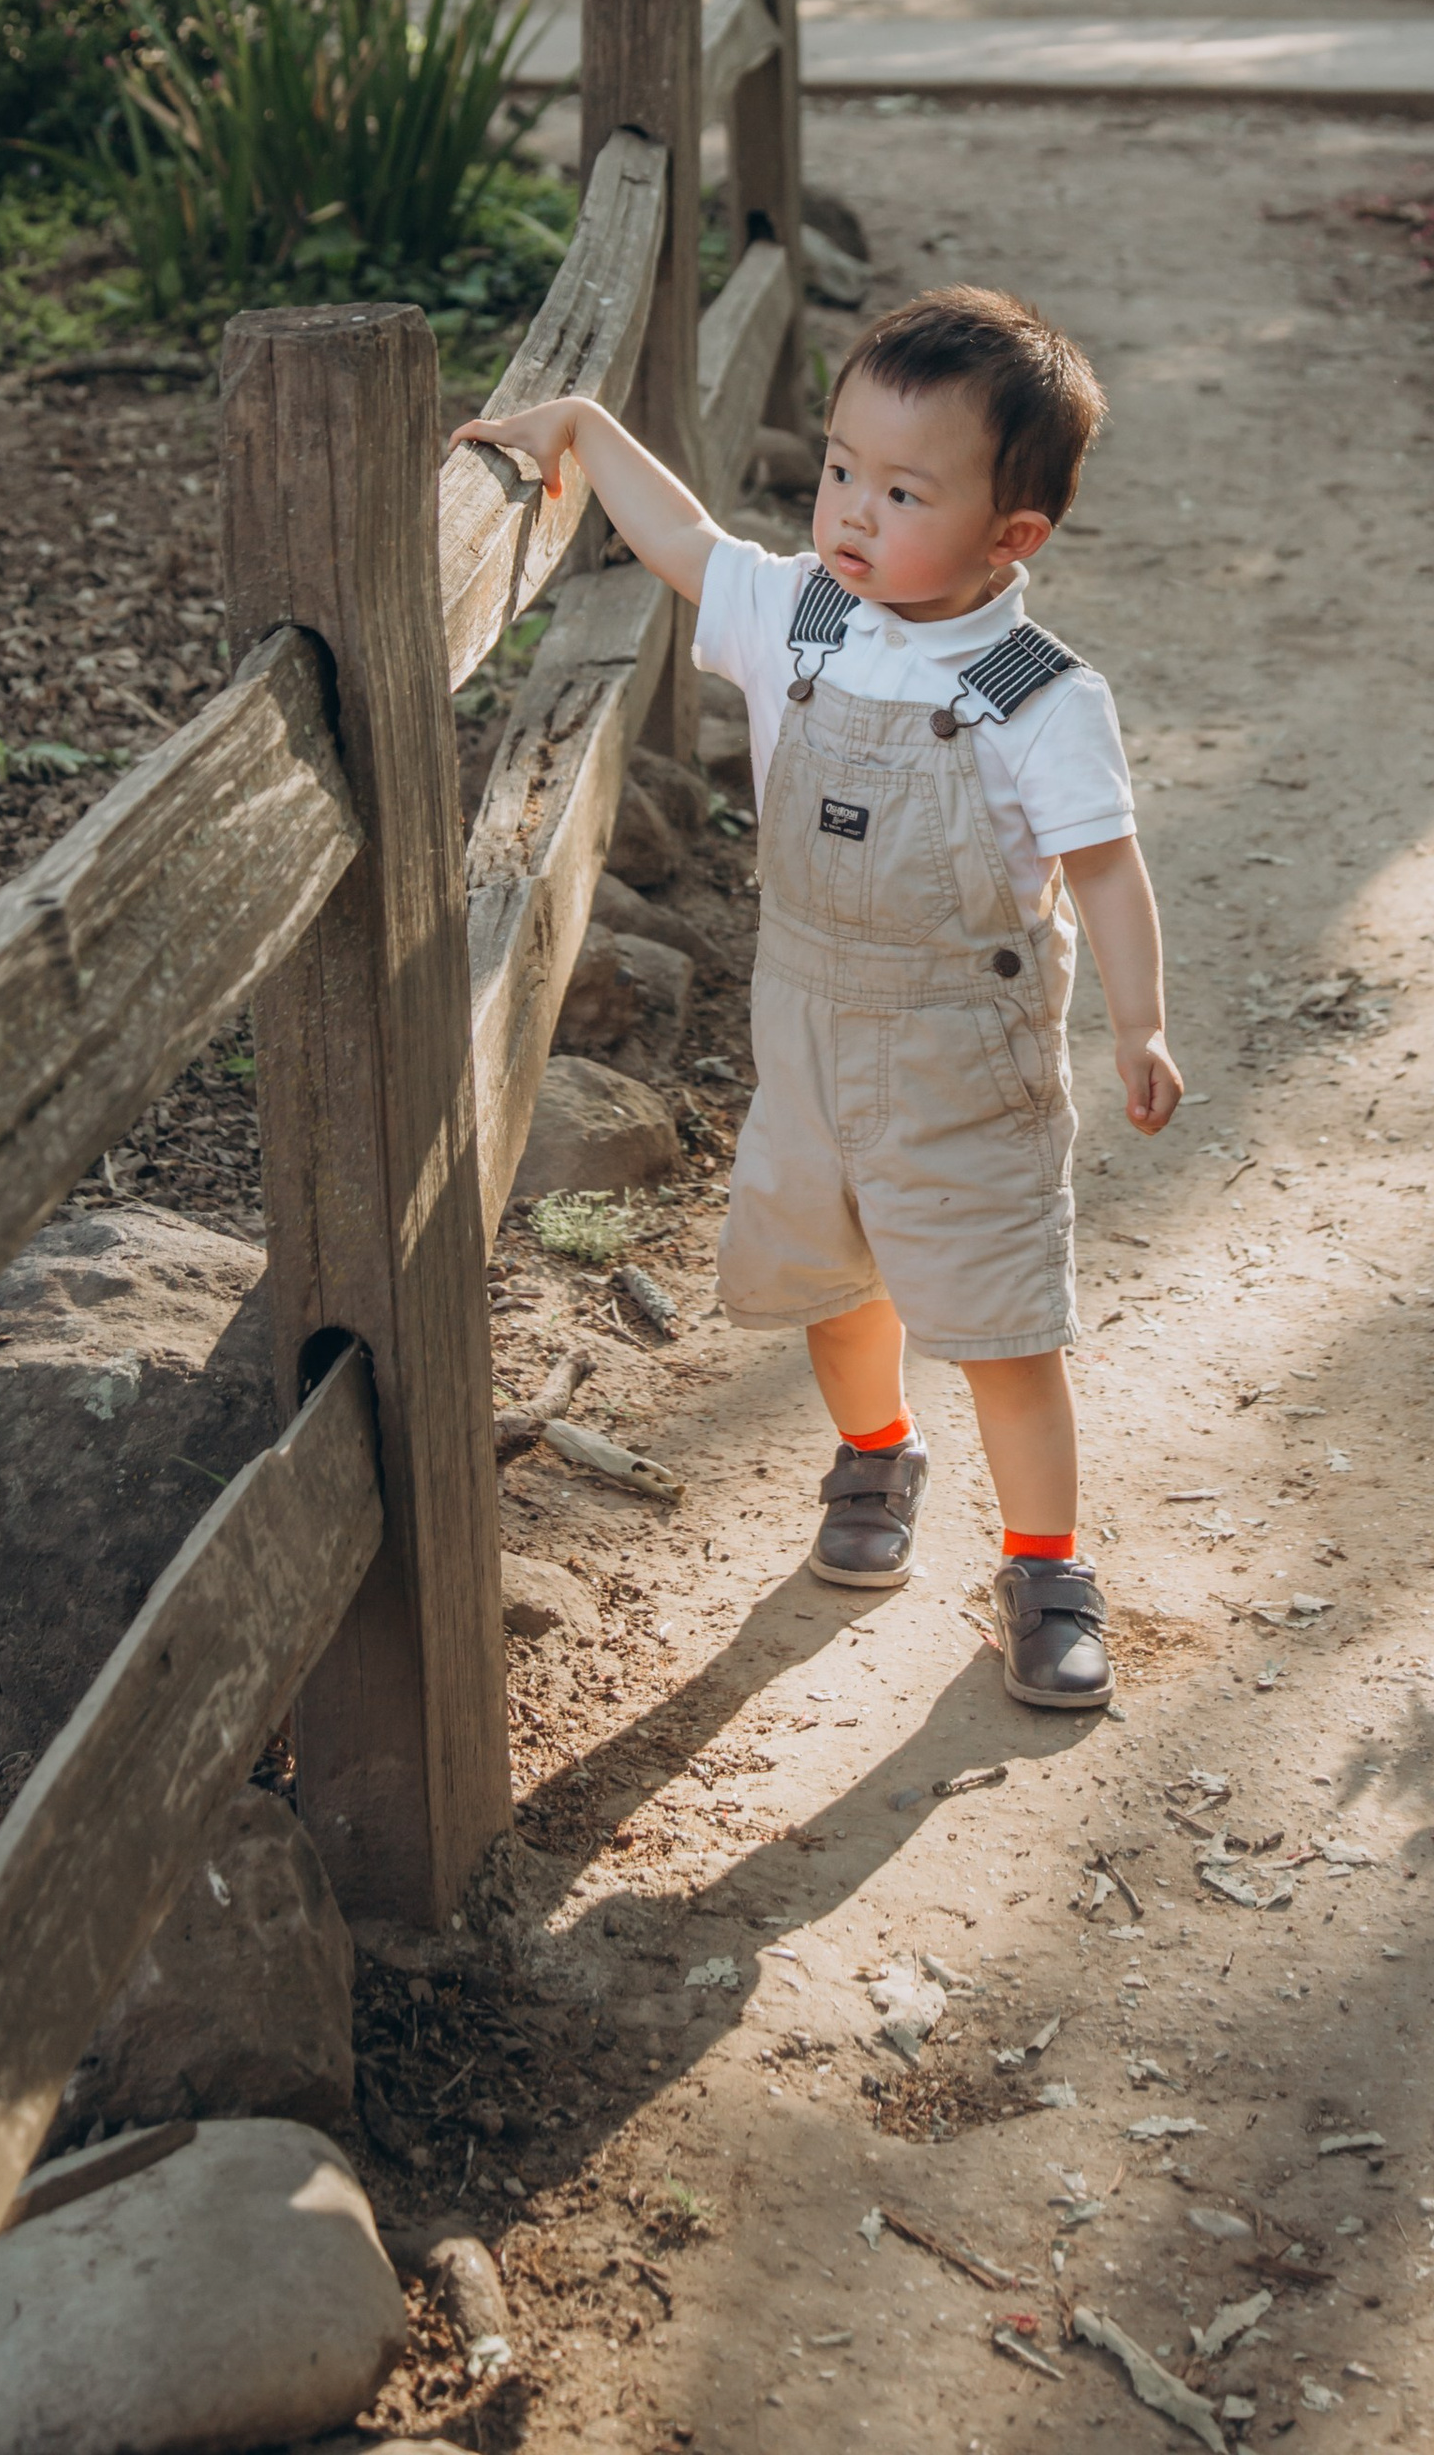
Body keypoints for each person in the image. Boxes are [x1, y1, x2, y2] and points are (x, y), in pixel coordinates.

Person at [451, 283, 1182, 1709]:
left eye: (902, 491)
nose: (848, 509)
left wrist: (1140, 1023)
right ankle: (874, 1451)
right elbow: (684, 541)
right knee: (836, 1278)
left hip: (964, 1052)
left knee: (1001, 1319)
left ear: (1011, 537)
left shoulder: (1040, 691)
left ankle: (1046, 1563)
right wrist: (586, 430)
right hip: (806, 1025)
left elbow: (1106, 871)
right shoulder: (801, 613)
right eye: (842, 466)